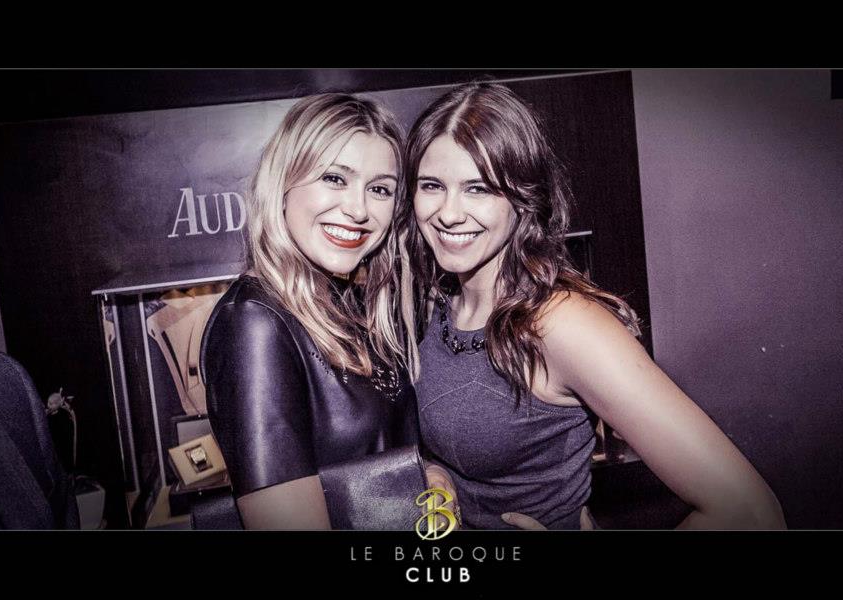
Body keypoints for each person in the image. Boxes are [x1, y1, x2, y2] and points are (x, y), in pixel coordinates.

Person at [400, 82, 786, 530]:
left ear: (524, 198)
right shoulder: (438, 301)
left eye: (478, 189)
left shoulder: (562, 324)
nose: (449, 213)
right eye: (432, 186)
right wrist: (436, 472)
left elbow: (750, 512)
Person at [200, 93, 453, 530]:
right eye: (335, 178)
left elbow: (378, 454)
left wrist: (428, 474)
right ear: (283, 183)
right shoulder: (255, 322)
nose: (358, 209)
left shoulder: (354, 304)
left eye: (379, 189)